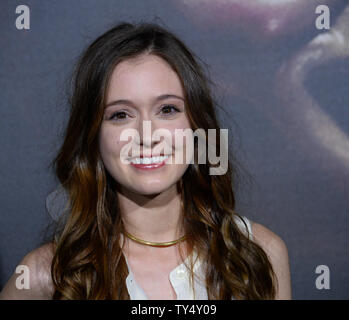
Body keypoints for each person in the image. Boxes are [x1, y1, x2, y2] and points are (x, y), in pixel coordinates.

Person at [0, 21, 291, 300]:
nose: (147, 135)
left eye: (167, 109)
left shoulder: (259, 254)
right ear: (93, 137)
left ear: (197, 125)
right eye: (120, 115)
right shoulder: (46, 274)